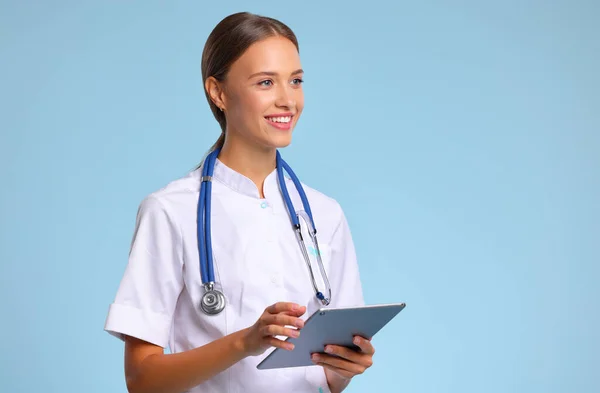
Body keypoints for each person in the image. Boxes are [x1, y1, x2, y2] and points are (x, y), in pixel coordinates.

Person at [104, 12, 375, 393]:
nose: (288, 100)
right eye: (266, 82)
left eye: (295, 81)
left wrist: (346, 367)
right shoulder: (170, 211)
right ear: (218, 92)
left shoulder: (324, 213)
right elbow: (142, 379)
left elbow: (328, 377)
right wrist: (244, 343)